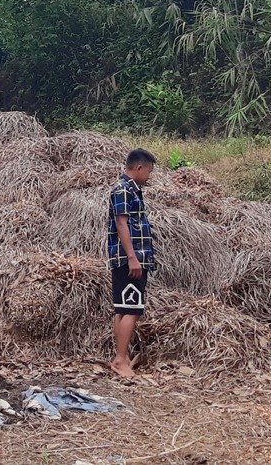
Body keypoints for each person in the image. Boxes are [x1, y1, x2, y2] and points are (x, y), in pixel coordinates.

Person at [107, 148, 156, 378]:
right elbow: (121, 223)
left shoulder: (129, 189)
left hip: (128, 258)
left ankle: (122, 356)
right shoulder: (124, 190)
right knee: (133, 309)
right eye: (149, 171)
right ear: (138, 168)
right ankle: (119, 360)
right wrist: (133, 257)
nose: (149, 176)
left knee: (123, 308)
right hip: (129, 259)